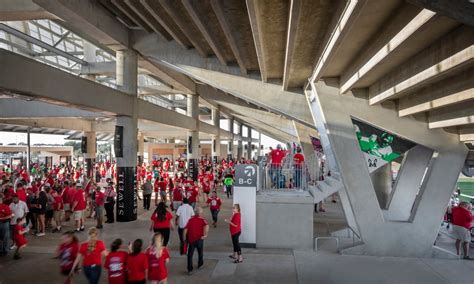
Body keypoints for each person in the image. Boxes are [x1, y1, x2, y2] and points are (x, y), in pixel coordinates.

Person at [184, 207, 209, 274]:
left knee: (190, 255)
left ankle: (190, 269)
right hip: (200, 239)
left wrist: (184, 238)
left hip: (191, 240)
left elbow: (185, 229)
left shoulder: (190, 220)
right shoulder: (203, 220)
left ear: (195, 212)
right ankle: (200, 264)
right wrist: (205, 235)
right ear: (200, 213)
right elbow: (206, 226)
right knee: (200, 253)